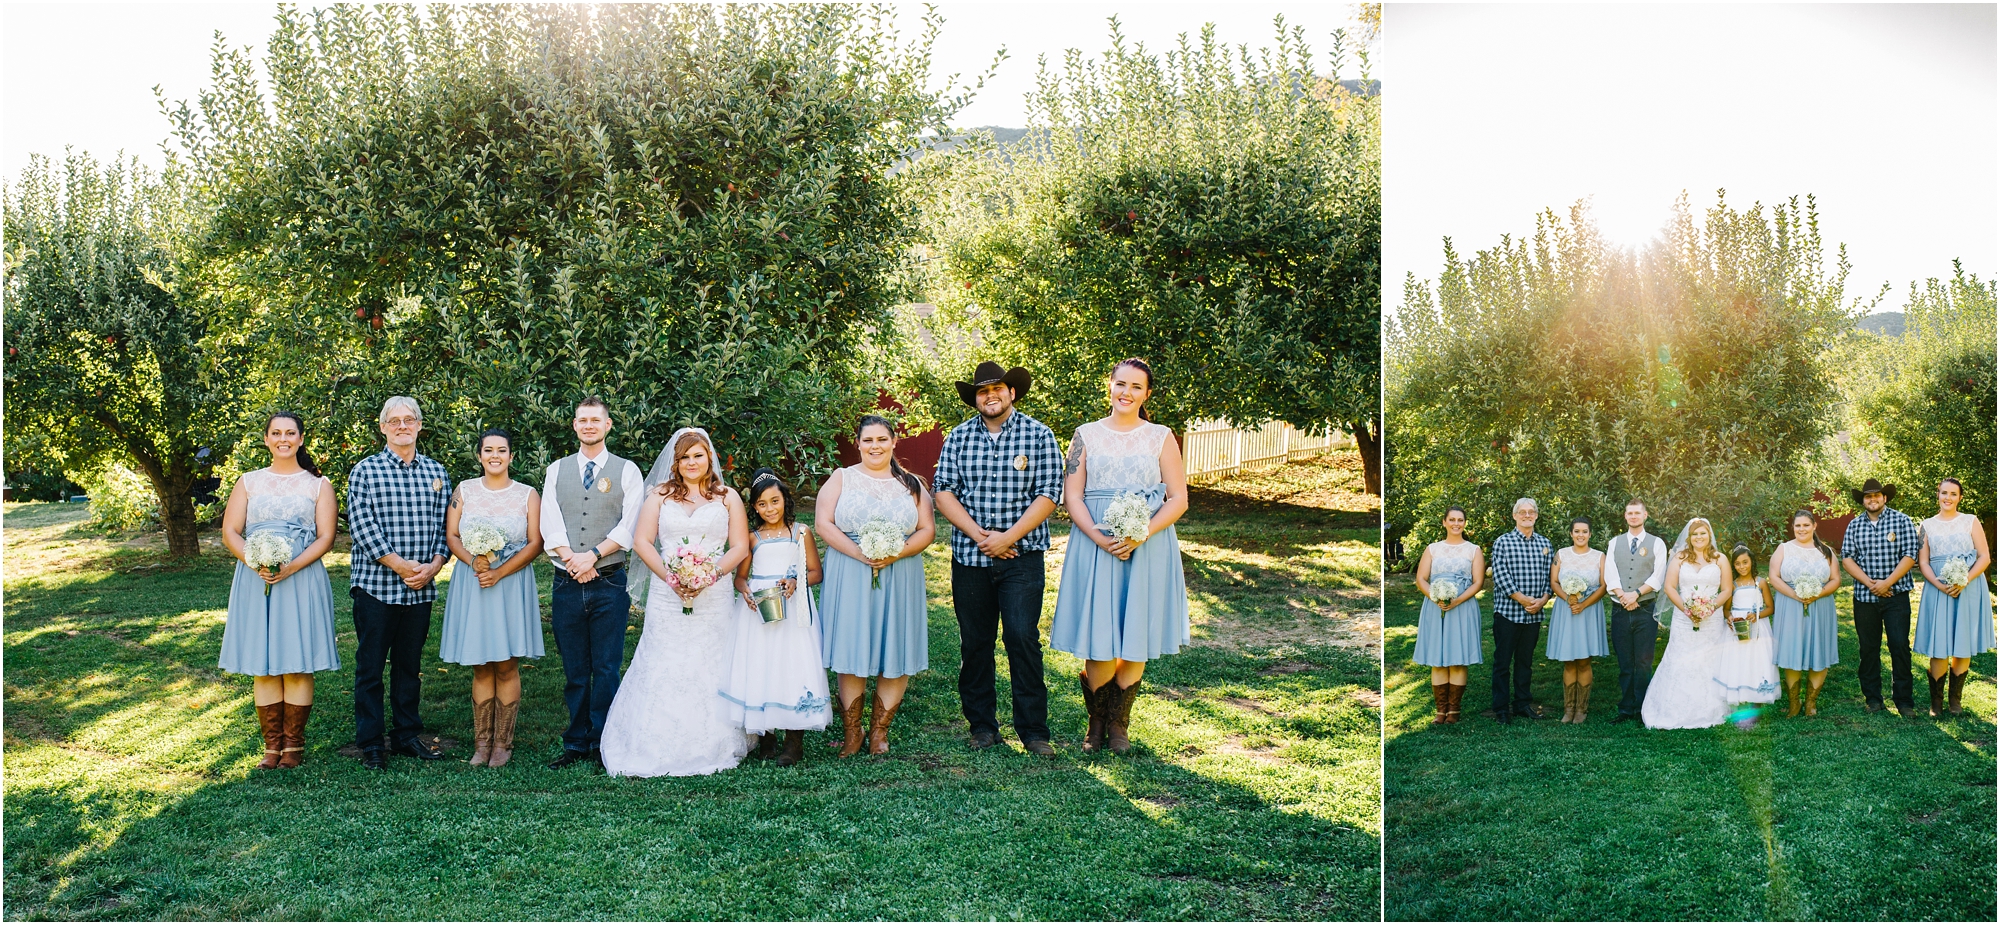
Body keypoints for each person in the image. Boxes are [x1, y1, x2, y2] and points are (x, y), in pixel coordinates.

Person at [1050, 359, 1192, 753]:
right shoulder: (1084, 435)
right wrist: (1097, 535)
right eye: (1120, 384)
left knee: (1135, 631)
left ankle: (1119, 725)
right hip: (1096, 542)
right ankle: (1095, 723)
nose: (1126, 392)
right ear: (1109, 387)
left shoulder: (1161, 436)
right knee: (1100, 634)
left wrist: (1142, 532)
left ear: (1146, 394)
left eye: (1136, 387)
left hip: (1147, 544)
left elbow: (1178, 498)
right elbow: (1072, 496)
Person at [599, 428, 754, 777]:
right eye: (684, 457)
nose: (691, 462)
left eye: (697, 455)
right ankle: (649, 742)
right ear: (675, 462)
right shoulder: (659, 496)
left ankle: (716, 740)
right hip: (667, 596)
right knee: (662, 659)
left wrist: (706, 578)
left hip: (713, 595)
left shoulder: (728, 497)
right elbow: (642, 542)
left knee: (710, 661)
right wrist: (673, 580)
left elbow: (740, 547)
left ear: (709, 457)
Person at [932, 361, 1064, 755]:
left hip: (1022, 558)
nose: (990, 396)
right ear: (975, 399)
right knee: (975, 643)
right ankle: (983, 727)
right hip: (970, 560)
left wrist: (1008, 537)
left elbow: (1049, 493)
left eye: (997, 389)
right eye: (982, 391)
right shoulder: (957, 438)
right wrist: (981, 538)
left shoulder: (1038, 435)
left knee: (1022, 637)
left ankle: (1034, 732)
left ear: (1012, 393)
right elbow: (943, 492)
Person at [218, 411, 340, 769]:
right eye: (276, 433)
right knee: (265, 665)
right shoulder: (249, 482)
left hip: (300, 576)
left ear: (301, 439)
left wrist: (291, 567)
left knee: (297, 663)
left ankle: (294, 748)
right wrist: (255, 562)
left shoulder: (318, 484)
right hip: (256, 578)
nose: (283, 438)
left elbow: (326, 537)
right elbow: (230, 531)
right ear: (267, 439)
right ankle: (272, 748)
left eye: (290, 433)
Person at [817, 417, 937, 756]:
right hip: (850, 568)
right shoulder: (841, 478)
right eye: (868, 439)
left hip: (900, 571)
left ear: (894, 441)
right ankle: (852, 731)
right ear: (858, 443)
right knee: (852, 647)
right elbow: (823, 523)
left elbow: (927, 529)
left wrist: (895, 552)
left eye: (882, 439)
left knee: (894, 646)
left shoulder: (912, 483)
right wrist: (859, 552)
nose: (875, 446)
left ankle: (879, 733)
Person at [537, 397, 646, 769]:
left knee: (606, 666)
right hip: (567, 580)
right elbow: (549, 521)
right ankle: (576, 742)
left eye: (595, 420)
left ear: (608, 425)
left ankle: (605, 742)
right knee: (574, 669)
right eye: (582, 420)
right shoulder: (557, 470)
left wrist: (593, 556)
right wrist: (572, 559)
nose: (588, 426)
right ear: (574, 425)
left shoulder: (627, 470)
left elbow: (629, 523)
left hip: (609, 582)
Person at [345, 396, 452, 769]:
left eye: (410, 420)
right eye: (395, 421)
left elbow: (447, 528)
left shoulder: (437, 473)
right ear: (383, 427)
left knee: (409, 665)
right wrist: (401, 566)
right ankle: (372, 741)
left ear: (420, 425)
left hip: (421, 587)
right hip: (376, 585)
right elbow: (362, 527)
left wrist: (435, 565)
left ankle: (407, 734)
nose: (402, 426)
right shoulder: (365, 471)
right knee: (370, 665)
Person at [439, 429, 544, 769]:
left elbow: (534, 543)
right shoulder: (464, 491)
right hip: (474, 580)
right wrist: (474, 560)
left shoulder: (528, 494)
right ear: (480, 455)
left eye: (502, 450)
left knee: (507, 662)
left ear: (511, 456)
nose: (494, 455)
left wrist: (500, 571)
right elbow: (452, 535)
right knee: (481, 663)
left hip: (510, 582)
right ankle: (481, 742)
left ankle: (503, 743)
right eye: (488, 450)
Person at [722, 468, 831, 766]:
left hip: (794, 609)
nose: (770, 509)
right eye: (762, 504)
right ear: (755, 508)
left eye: (775, 501)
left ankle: (794, 742)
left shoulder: (801, 532)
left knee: (793, 665)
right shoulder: (752, 538)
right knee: (763, 664)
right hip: (760, 610)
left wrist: (797, 581)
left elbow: (816, 572)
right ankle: (766, 737)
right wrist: (745, 592)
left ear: (785, 499)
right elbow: (740, 578)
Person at [1839, 478, 1923, 718]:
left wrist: (1887, 583)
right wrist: (1871, 584)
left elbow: (1909, 555)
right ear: (1863, 501)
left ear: (1885, 498)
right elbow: (1847, 558)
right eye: (1868, 496)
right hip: (1865, 598)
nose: (1872, 499)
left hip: (1896, 597)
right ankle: (1873, 699)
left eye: (1877, 496)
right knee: (1868, 648)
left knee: (1899, 646)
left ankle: (1904, 701)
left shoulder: (1902, 521)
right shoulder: (1854, 526)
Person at [1641, 517, 1734, 729]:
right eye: (1695, 534)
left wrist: (1709, 608)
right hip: (1684, 618)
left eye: (1703, 533)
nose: (1699, 537)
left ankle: (1711, 709)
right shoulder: (1679, 558)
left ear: (1709, 535)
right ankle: (1672, 710)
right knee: (1680, 658)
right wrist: (1687, 609)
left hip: (1712, 619)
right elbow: (1670, 587)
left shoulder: (1720, 559)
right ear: (1689, 537)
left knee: (1710, 660)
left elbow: (1727, 589)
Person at [1913, 478, 1993, 716]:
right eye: (1943, 493)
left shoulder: (1971, 521)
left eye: (1953, 494)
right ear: (1937, 494)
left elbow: (1984, 557)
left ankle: (1954, 701)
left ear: (1960, 497)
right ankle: (1935, 703)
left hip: (1967, 586)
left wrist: (1964, 580)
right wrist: (1938, 584)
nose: (1948, 497)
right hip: (1938, 587)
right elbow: (1923, 561)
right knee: (1939, 644)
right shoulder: (1926, 525)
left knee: (1962, 642)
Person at [1412, 506, 1484, 724]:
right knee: (1439, 660)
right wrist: (1436, 598)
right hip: (1436, 607)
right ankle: (1440, 710)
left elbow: (1478, 582)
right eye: (1451, 519)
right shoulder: (1433, 549)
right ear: (1444, 522)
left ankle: (1454, 710)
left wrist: (1458, 601)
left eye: (1460, 520)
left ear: (1464, 523)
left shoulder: (1473, 550)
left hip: (1462, 606)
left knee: (1458, 659)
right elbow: (1421, 579)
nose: (1456, 523)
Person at [1600, 500, 1669, 724]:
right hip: (1621, 610)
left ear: (1645, 515)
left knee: (1643, 661)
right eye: (1629, 513)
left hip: (1645, 609)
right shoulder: (1614, 542)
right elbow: (1610, 574)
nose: (1633, 516)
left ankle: (1642, 708)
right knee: (1625, 661)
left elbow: (1658, 576)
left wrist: (1636, 594)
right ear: (1625, 516)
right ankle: (1625, 708)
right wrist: (1623, 595)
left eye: (1637, 513)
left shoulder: (1657, 543)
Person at [1488, 498, 1553, 724]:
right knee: (1502, 662)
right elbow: (1501, 576)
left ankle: (1523, 703)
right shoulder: (1502, 542)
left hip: (1534, 614)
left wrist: (1543, 599)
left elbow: (1549, 578)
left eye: (1531, 512)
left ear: (1536, 515)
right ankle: (1501, 707)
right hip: (1508, 613)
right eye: (1522, 512)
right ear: (1515, 516)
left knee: (1525, 662)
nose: (1527, 515)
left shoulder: (1545, 544)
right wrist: (1524, 600)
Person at [1773, 509, 1842, 717]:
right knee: (1791, 650)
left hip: (1820, 605)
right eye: (1797, 525)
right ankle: (1794, 702)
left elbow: (1836, 579)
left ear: (1814, 526)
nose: (1801, 529)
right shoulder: (1783, 549)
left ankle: (1811, 702)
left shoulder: (1826, 551)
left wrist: (1817, 594)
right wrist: (1795, 595)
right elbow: (1774, 577)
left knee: (1818, 649)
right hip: (1790, 604)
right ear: (1793, 527)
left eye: (1805, 525)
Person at [1545, 517, 1608, 723]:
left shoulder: (1599, 556)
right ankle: (1568, 708)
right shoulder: (1561, 554)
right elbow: (1554, 581)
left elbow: (1603, 586)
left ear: (1590, 534)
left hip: (1588, 611)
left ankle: (1582, 708)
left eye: (1585, 531)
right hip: (1566, 609)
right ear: (1571, 533)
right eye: (1577, 531)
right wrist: (1569, 598)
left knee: (1584, 660)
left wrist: (1583, 604)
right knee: (1569, 661)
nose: (1581, 535)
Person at [1714, 544, 1779, 709]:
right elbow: (1726, 609)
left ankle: (1757, 695)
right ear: (1733, 566)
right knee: (1738, 661)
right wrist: (1729, 618)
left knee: (1757, 661)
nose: (1742, 567)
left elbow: (1771, 608)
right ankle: (1738, 692)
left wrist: (1756, 616)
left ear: (1752, 562)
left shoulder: (1761, 583)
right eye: (1737, 563)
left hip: (1758, 627)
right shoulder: (1733, 585)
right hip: (1738, 627)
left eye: (1745, 562)